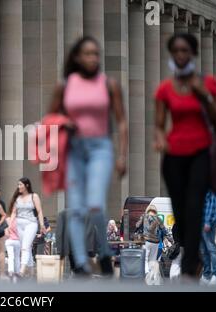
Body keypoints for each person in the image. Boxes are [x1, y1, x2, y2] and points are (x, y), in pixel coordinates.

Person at [154, 33, 216, 278]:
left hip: (201, 153)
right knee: (181, 211)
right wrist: (160, 139)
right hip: (174, 156)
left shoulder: (209, 84)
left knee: (195, 206)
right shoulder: (165, 89)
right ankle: (191, 258)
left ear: (192, 53)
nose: (180, 55)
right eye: (176, 51)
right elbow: (159, 124)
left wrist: (203, 94)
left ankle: (189, 266)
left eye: (185, 50)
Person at [63, 36, 128, 277]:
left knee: (95, 204)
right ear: (77, 58)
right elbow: (54, 118)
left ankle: (103, 252)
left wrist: (122, 155)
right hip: (75, 149)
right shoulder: (66, 85)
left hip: (101, 147)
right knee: (77, 208)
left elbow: (121, 121)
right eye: (87, 54)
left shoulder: (108, 84)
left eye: (96, 54)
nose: (92, 58)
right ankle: (80, 261)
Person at [9, 178, 46, 277]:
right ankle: (31, 270)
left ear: (27, 185)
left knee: (25, 247)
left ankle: (21, 271)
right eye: (18, 185)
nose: (19, 187)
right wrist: (9, 226)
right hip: (19, 224)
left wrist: (42, 225)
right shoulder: (18, 198)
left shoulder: (34, 196)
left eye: (20, 185)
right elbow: (13, 213)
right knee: (26, 247)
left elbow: (39, 211)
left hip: (31, 223)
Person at [135, 205, 165, 276]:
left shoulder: (144, 216)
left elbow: (137, 225)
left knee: (145, 257)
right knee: (153, 259)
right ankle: (152, 274)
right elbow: (163, 229)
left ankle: (146, 272)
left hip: (147, 240)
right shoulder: (158, 218)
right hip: (156, 242)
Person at [199, 191, 216, 287]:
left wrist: (207, 222)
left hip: (208, 223)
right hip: (202, 221)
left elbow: (212, 204)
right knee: (204, 250)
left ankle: (215, 275)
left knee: (211, 248)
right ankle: (206, 274)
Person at [4, 216, 20, 281]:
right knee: (17, 257)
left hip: (9, 240)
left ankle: (10, 271)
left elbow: (6, 233)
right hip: (17, 241)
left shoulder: (7, 219)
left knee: (11, 256)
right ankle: (17, 271)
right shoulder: (19, 220)